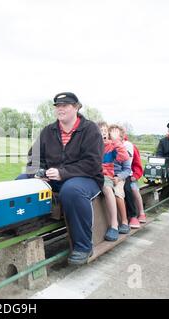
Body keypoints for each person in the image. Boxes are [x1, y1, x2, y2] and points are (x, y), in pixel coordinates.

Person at [17, 92, 103, 265]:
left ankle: (83, 246)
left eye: (65, 105)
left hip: (86, 178)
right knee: (22, 181)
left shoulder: (90, 129)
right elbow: (33, 158)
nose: (60, 109)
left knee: (71, 190)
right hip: (53, 177)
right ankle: (25, 228)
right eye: (58, 106)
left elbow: (92, 163)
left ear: (77, 107)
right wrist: (39, 173)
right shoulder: (49, 131)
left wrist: (63, 172)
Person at [97, 122, 129, 241]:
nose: (103, 133)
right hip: (92, 175)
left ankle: (114, 225)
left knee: (109, 189)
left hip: (106, 175)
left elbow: (124, 157)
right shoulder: (93, 145)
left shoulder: (112, 146)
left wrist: (116, 141)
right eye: (100, 131)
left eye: (105, 131)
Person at [110, 124, 132, 234]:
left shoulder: (124, 152)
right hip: (106, 176)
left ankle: (124, 221)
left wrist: (118, 178)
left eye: (116, 135)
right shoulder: (107, 148)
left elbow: (127, 170)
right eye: (111, 134)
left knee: (118, 193)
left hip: (118, 177)